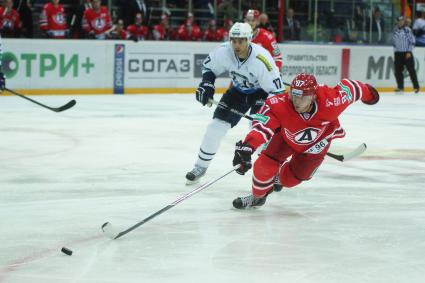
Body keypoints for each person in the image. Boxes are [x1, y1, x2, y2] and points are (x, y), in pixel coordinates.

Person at [231, 73, 380, 209]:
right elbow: (261, 128)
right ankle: (258, 198)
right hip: (286, 138)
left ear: (314, 96)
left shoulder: (332, 100)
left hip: (317, 145)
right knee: (263, 165)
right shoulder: (278, 104)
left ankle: (278, 179)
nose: (296, 101)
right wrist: (247, 147)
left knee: (290, 180)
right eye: (294, 95)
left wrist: (370, 95)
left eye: (302, 97)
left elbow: (353, 88)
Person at [185, 22, 284, 184]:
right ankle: (200, 167)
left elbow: (276, 92)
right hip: (238, 91)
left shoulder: (262, 59)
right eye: (234, 41)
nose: (237, 45)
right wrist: (207, 84)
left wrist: (275, 117)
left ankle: (273, 172)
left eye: (241, 41)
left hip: (262, 92)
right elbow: (209, 68)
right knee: (215, 127)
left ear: (249, 40)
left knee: (259, 131)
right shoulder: (224, 51)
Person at [392, 16, 419, 93]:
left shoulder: (407, 30)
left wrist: (409, 51)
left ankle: (416, 87)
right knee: (397, 71)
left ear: (404, 22)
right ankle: (400, 87)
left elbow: (412, 41)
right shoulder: (395, 30)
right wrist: (395, 52)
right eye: (399, 21)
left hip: (407, 53)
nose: (400, 22)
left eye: (402, 21)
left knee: (411, 70)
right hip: (398, 53)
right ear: (397, 22)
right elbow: (394, 43)